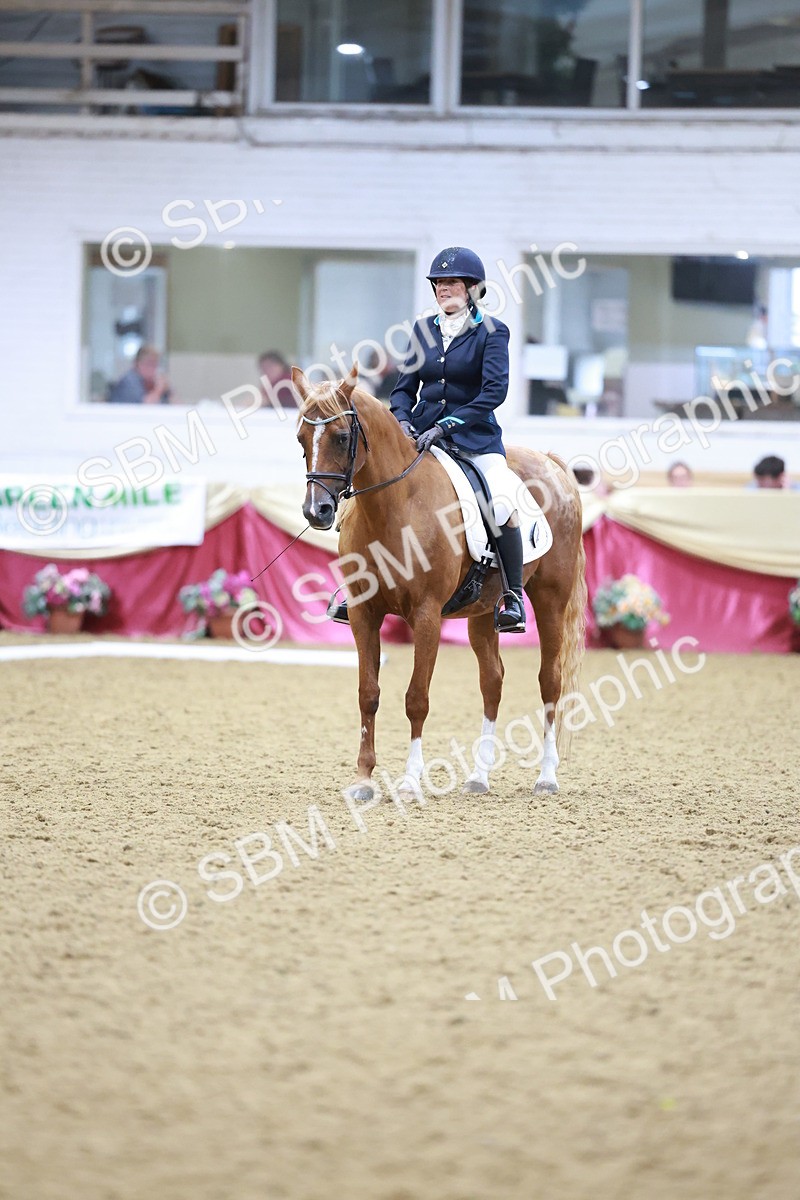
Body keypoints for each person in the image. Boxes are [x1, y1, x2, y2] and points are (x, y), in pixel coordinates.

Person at [332, 246, 527, 633]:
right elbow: (404, 388)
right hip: (420, 435)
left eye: (451, 283)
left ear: (472, 288)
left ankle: (512, 595)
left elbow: (493, 393)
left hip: (474, 437)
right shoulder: (424, 329)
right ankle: (354, 586)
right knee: (365, 494)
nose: (443, 289)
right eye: (438, 283)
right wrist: (402, 420)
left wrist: (448, 425)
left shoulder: (493, 331)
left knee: (502, 501)